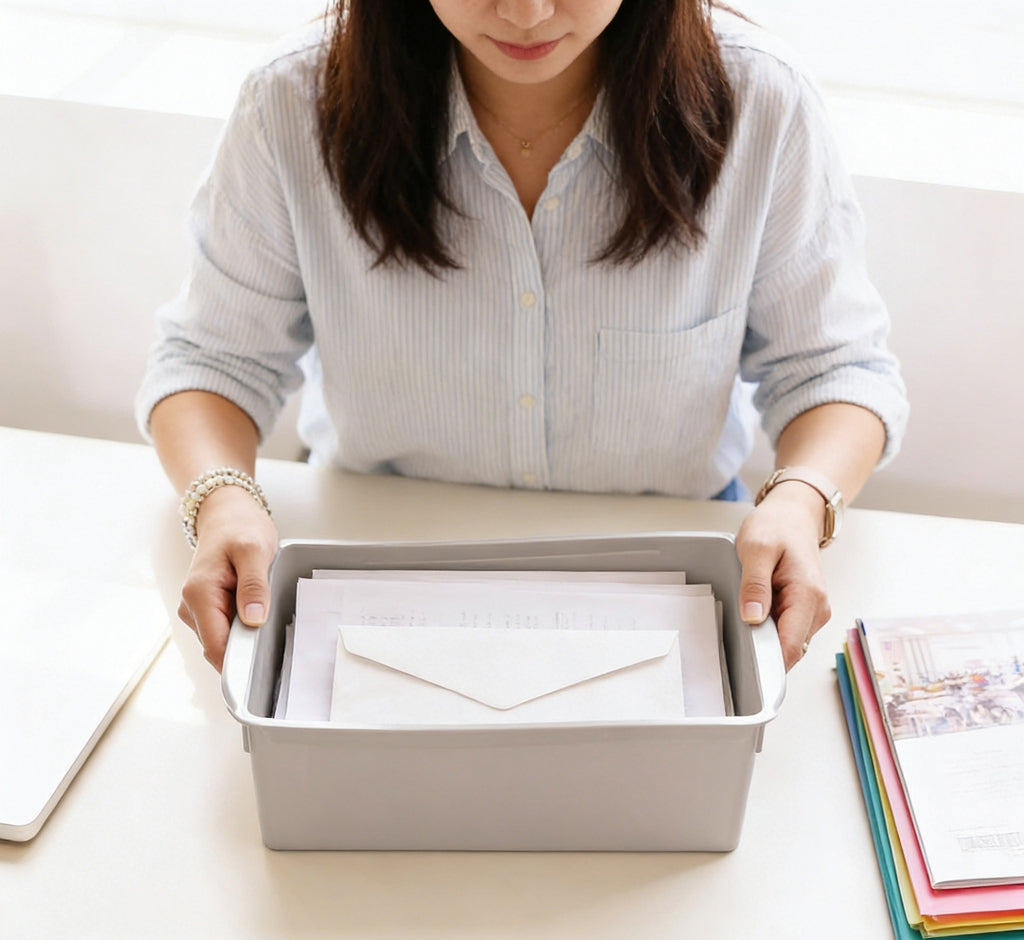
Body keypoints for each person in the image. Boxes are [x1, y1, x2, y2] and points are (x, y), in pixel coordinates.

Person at [136, 0, 908, 675]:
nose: (528, 12)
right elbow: (212, 359)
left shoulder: (762, 105)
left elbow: (835, 370)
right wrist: (222, 497)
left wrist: (801, 500)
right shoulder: (291, 104)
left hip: (674, 580)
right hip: (375, 570)